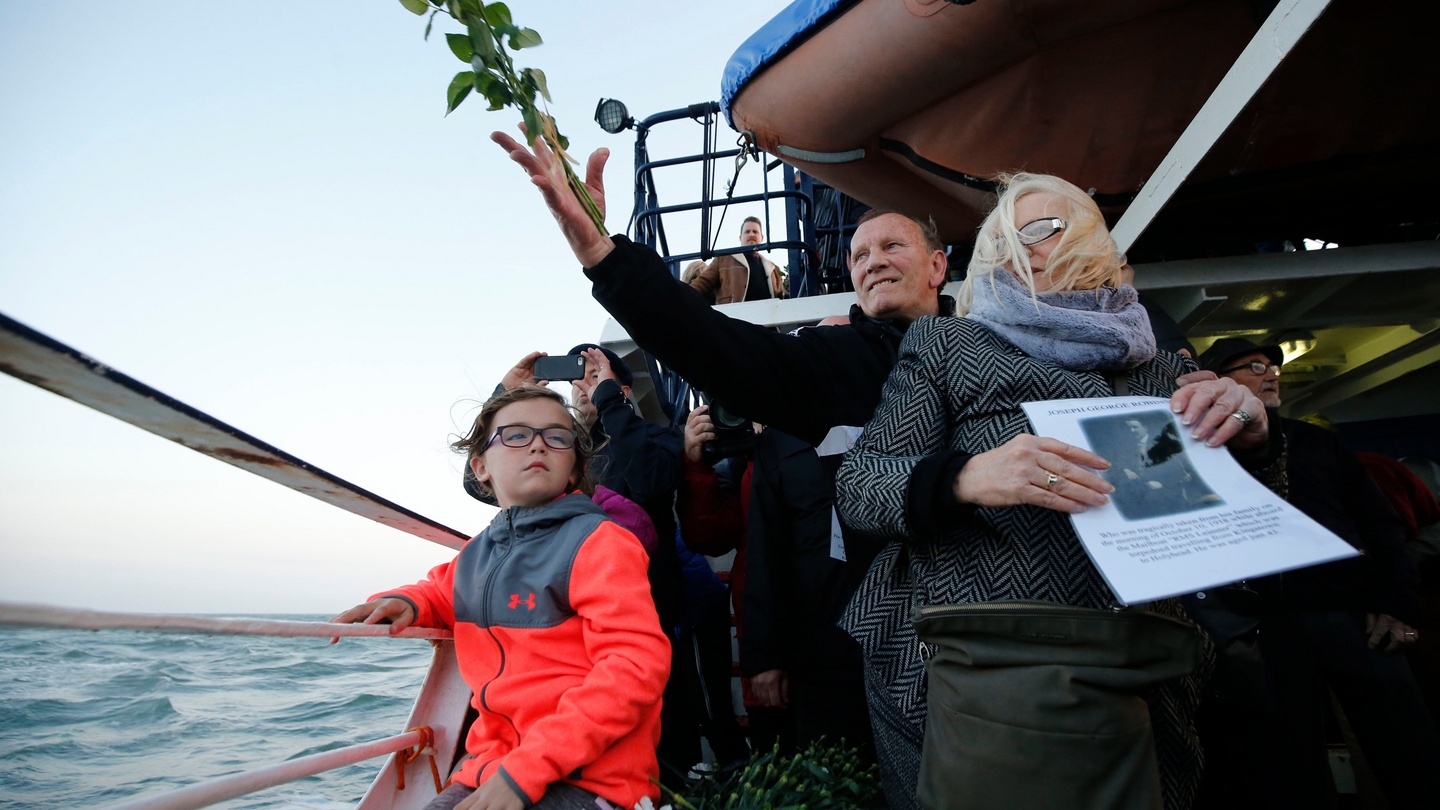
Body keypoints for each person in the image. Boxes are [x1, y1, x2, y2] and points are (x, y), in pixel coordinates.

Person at [834, 173, 1278, 810]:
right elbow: (860, 487)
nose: (1021, 249)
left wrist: (1251, 434)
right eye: (1002, 241)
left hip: (1141, 665)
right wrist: (965, 477)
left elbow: (1230, 516)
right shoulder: (950, 343)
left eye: (1042, 229)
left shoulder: (1161, 367)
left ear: (1094, 240)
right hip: (975, 666)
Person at [490, 128, 951, 448]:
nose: (874, 263)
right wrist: (599, 250)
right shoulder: (837, 358)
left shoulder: (991, 337)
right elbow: (710, 342)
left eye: (892, 245)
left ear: (938, 266)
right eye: (859, 256)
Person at [332, 385, 670, 810]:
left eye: (557, 436)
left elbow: (635, 667)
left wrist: (526, 772)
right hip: (490, 766)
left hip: (592, 778)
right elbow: (440, 590)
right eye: (516, 435)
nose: (539, 445)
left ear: (572, 471)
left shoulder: (600, 543)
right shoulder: (477, 553)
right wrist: (407, 601)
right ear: (480, 467)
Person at [1198, 337, 1439, 809]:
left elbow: (1381, 527)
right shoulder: (1205, 452)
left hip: (1353, 619)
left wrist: (1395, 603)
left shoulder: (1318, 443)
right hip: (1266, 629)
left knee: (1406, 748)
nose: (1271, 374)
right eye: (1254, 366)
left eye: (1273, 366)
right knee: (1288, 761)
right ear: (1220, 383)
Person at [492, 346, 690, 785]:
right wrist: (505, 396)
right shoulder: (557, 454)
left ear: (617, 391)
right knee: (577, 713)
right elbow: (482, 479)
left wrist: (610, 403)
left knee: (655, 720)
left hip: (643, 605)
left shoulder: (652, 437)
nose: (580, 387)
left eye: (592, 377)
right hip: (560, 612)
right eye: (577, 380)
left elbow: (654, 482)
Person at [688, 216, 785, 304]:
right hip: (733, 319)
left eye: (755, 232)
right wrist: (681, 297)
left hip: (767, 318)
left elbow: (782, 296)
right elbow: (702, 284)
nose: (751, 234)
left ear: (762, 237)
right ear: (740, 237)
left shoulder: (773, 268)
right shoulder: (723, 259)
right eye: (747, 231)